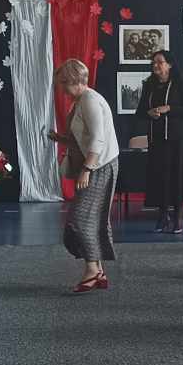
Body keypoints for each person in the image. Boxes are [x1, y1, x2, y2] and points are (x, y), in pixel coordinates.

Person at [53, 58, 118, 292]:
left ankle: (92, 269)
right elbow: (86, 136)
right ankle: (97, 270)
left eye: (63, 83)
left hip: (99, 166)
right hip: (97, 164)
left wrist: (87, 169)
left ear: (74, 80)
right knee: (91, 218)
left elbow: (98, 139)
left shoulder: (89, 100)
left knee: (81, 218)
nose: (61, 88)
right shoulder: (81, 100)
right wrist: (61, 139)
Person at [136, 48, 183, 233]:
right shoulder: (149, 85)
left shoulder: (179, 84)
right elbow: (140, 112)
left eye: (160, 62)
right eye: (153, 63)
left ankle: (178, 216)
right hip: (156, 140)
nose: (156, 65)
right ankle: (162, 216)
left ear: (169, 65)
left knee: (176, 178)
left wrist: (169, 108)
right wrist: (149, 112)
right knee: (158, 177)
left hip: (177, 140)